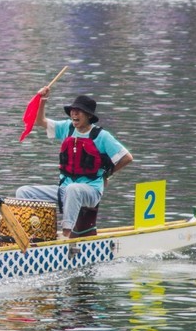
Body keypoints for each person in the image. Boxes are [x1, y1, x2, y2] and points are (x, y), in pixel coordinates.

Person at [16, 90, 132, 238]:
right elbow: (40, 121)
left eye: (79, 111)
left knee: (73, 189)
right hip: (64, 190)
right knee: (23, 192)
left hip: (91, 191)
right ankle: (32, 232)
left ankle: (66, 235)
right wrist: (43, 99)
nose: (74, 114)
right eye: (72, 111)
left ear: (89, 115)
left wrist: (106, 175)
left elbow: (127, 157)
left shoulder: (102, 136)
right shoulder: (67, 127)